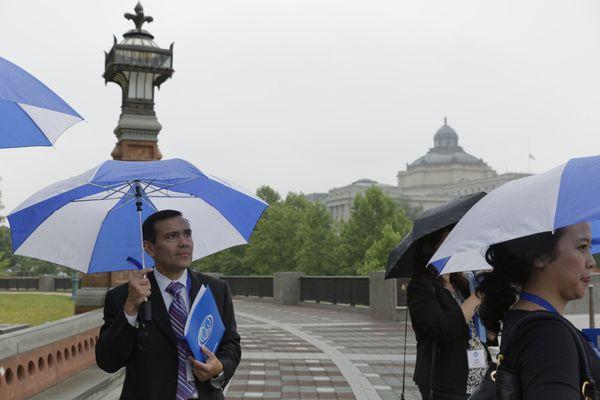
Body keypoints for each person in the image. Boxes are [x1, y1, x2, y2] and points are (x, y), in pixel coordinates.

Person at [96, 209, 241, 400]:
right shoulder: (123, 297)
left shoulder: (215, 290)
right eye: (172, 236)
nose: (184, 242)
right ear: (149, 248)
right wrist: (130, 308)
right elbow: (108, 361)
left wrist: (220, 367)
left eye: (187, 234)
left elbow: (231, 345)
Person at [477, 222, 599, 399]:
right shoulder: (547, 335)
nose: (591, 261)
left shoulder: (524, 320)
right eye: (582, 247)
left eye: (590, 247)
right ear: (540, 256)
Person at [408, 227, 492, 399]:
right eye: (448, 242)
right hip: (445, 380)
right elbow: (441, 327)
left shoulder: (464, 283)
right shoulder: (421, 286)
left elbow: (481, 330)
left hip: (479, 376)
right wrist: (479, 296)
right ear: (432, 248)